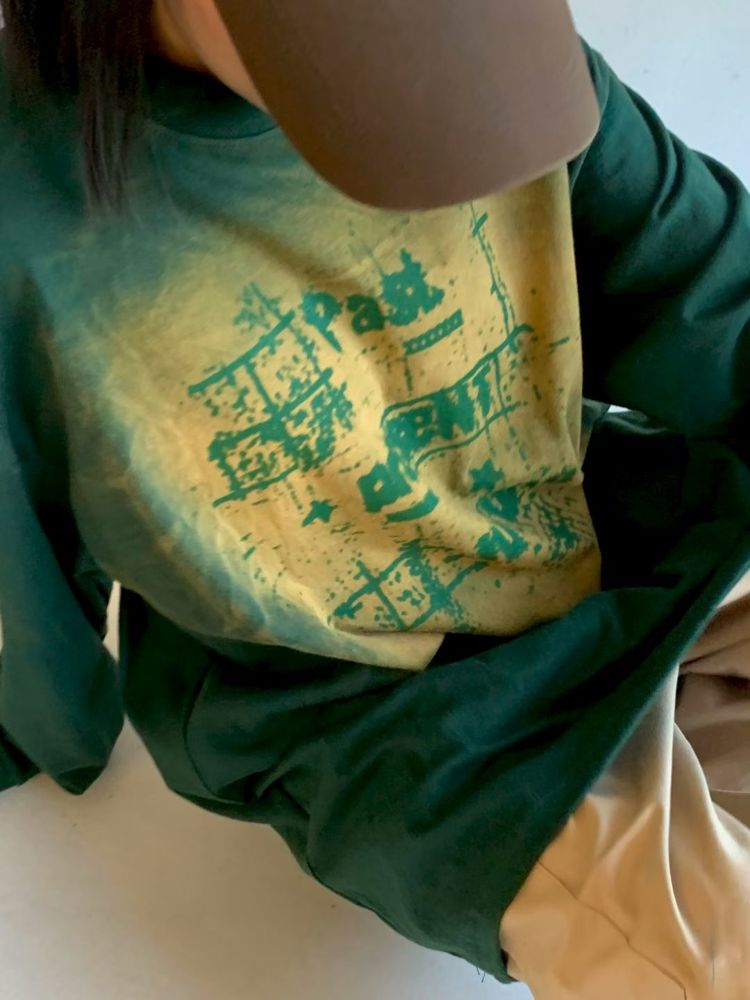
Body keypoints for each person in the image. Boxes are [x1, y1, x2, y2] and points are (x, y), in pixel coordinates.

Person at [0, 2, 748, 996]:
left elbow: (699, 279)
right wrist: (46, 733)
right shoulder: (29, 228)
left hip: (630, 548)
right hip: (393, 725)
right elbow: (21, 554)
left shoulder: (494, 53)